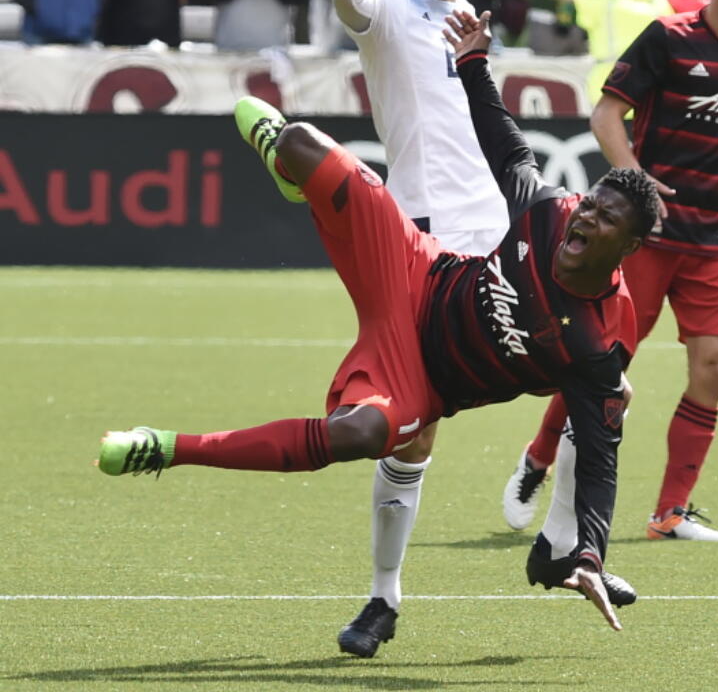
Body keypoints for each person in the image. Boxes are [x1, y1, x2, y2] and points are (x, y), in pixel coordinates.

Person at [96, 54, 659, 632]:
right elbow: (508, 148)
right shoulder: (550, 215)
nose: (586, 216)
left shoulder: (597, 342)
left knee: (359, 434)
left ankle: (165, 447)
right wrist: (472, 63)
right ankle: (292, 176)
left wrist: (590, 555)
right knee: (299, 140)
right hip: (414, 270)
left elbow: (599, 459)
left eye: (606, 218)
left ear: (631, 247)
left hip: (422, 379)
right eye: (590, 202)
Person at [502, 0, 718, 543]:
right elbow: (606, 114)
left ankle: (671, 512)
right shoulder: (668, 38)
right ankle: (538, 459)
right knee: (601, 364)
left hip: (716, 241)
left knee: (716, 365)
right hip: (646, 241)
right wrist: (636, 185)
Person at [326, 0, 509, 658]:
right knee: (414, 430)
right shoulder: (390, 6)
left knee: (591, 364)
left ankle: (571, 540)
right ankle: (384, 597)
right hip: (420, 241)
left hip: (494, 231)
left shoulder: (464, 19)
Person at [573, 0, 672, 103]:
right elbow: (666, 20)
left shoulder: (594, 1)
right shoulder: (621, 6)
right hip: (625, 83)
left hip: (602, 80)